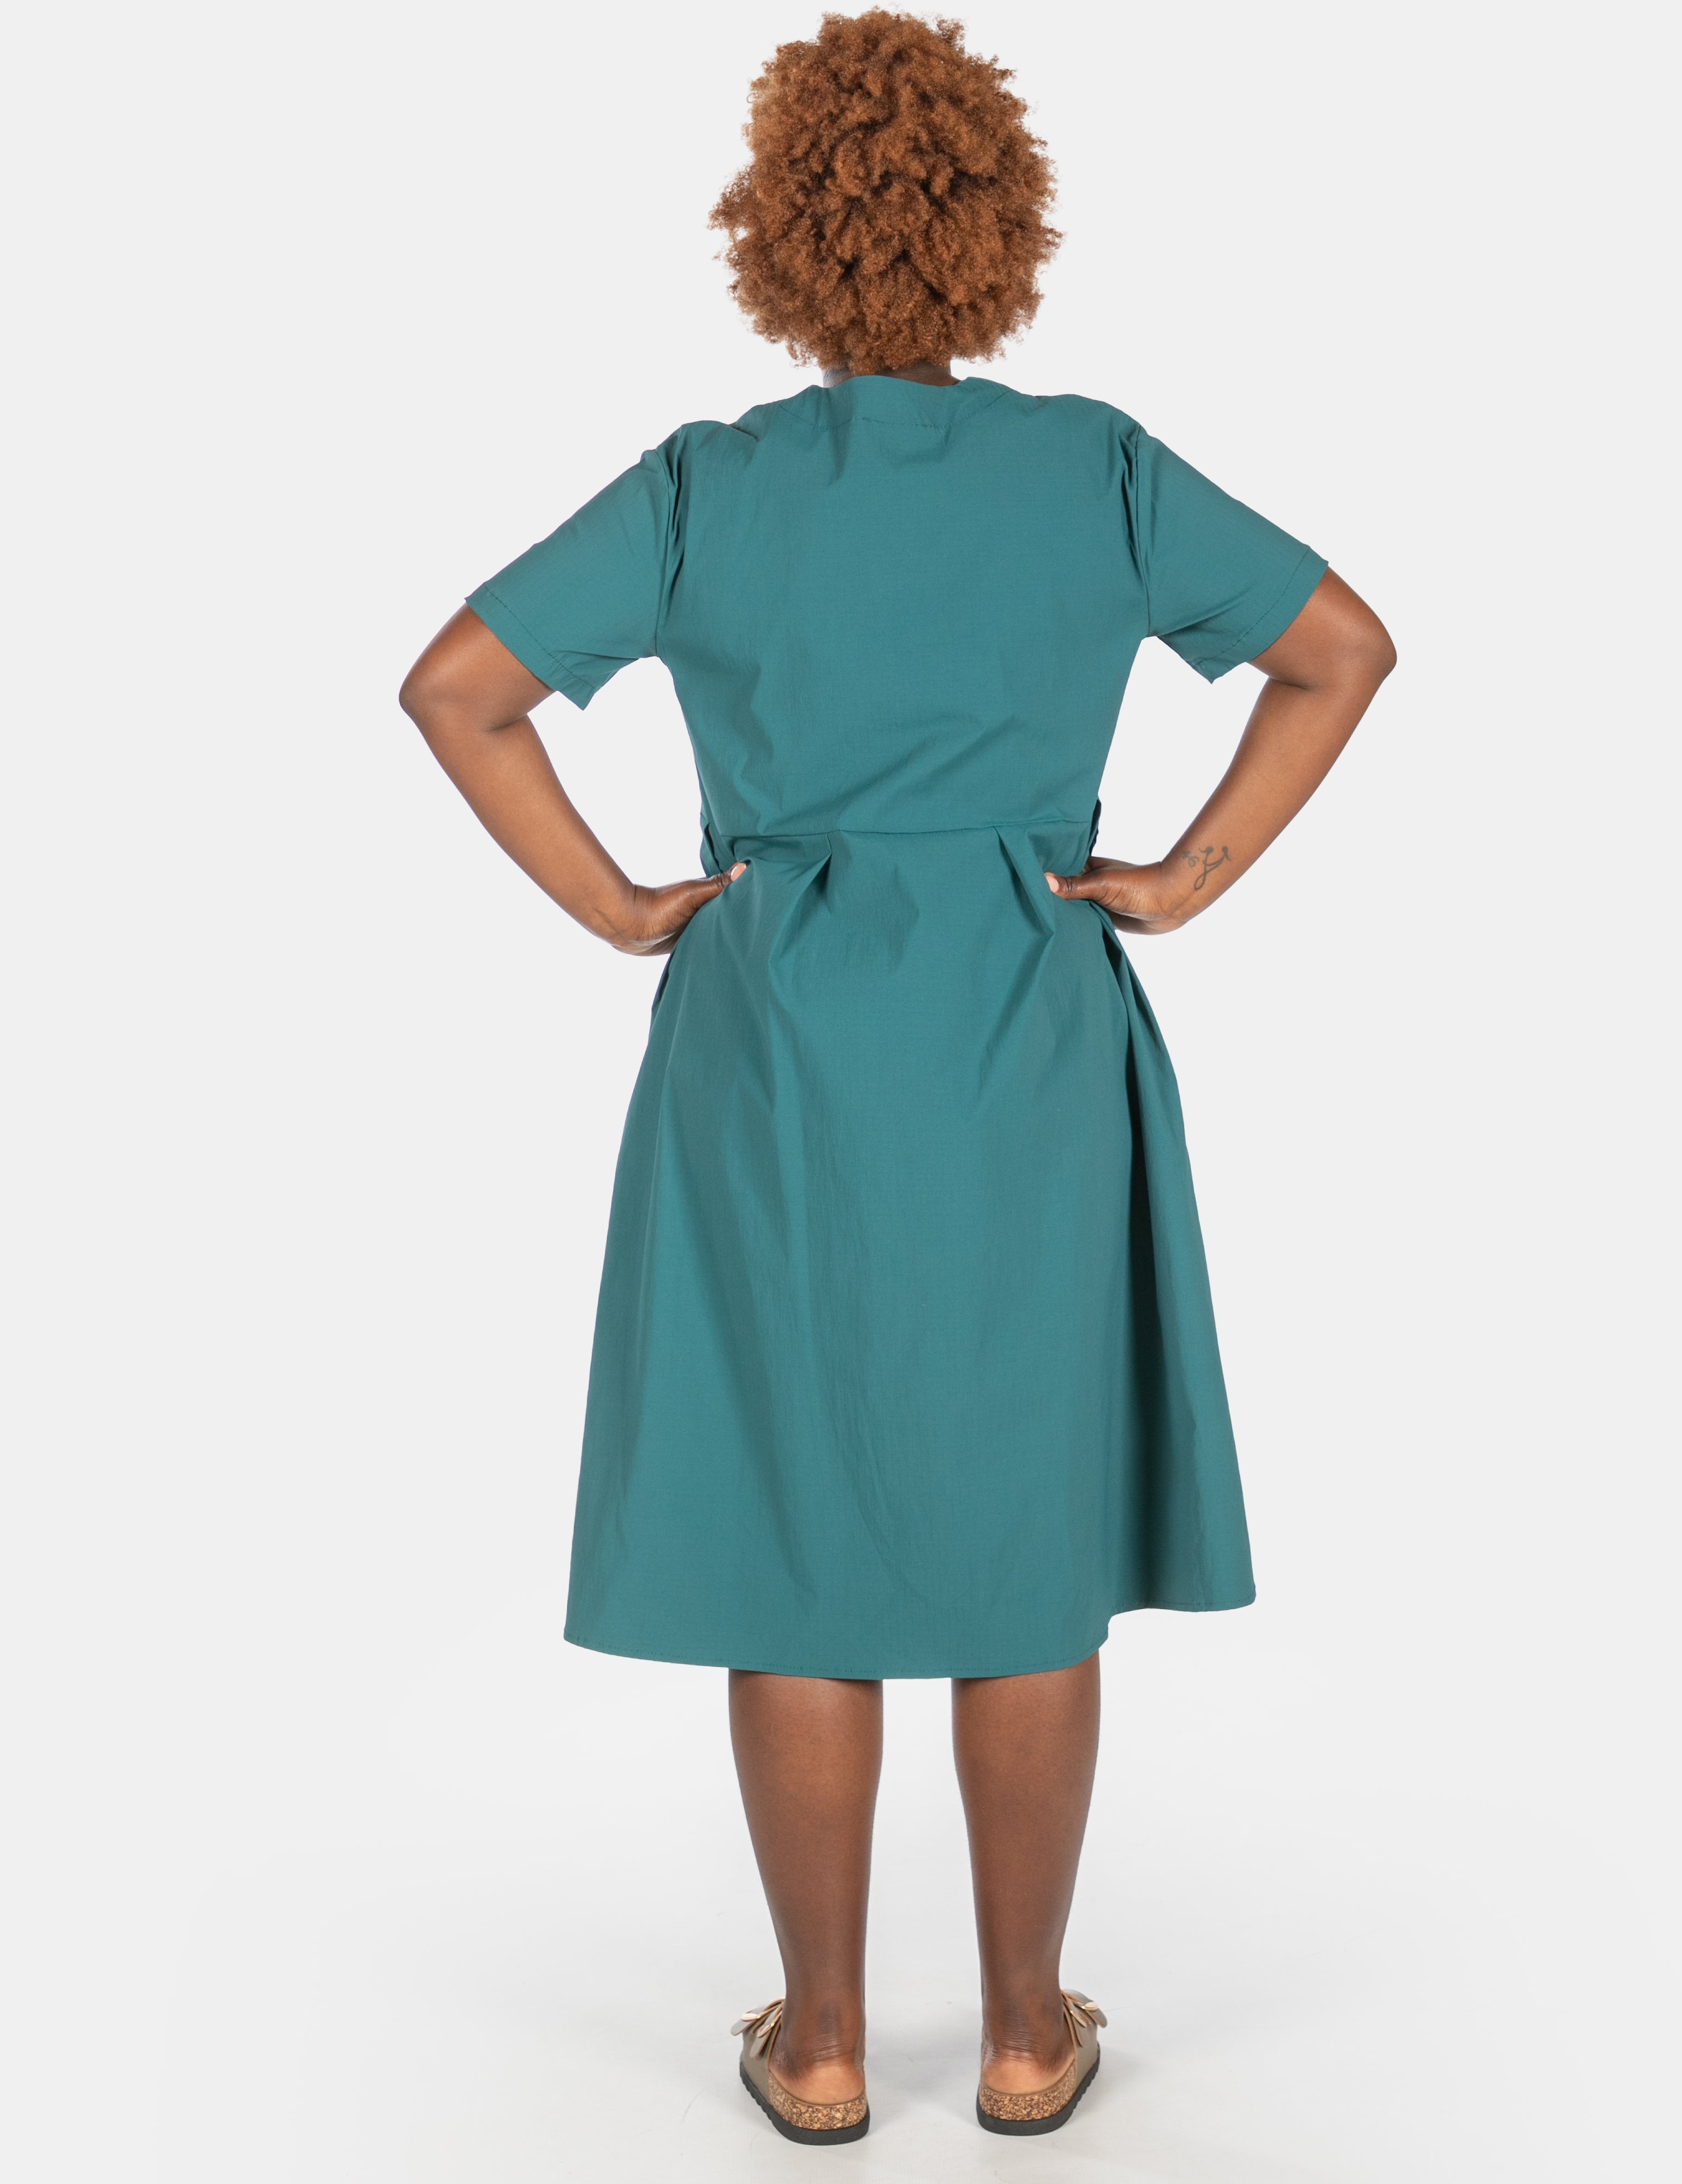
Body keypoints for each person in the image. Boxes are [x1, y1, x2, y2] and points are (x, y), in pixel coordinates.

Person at [398, 8, 1393, 2145]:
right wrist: (1183, 878)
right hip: (1031, 1015)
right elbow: (1342, 649)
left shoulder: (709, 486)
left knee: (795, 1519)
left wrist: (620, 906)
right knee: (1025, 1520)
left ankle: (827, 2040)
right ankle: (1028, 2036)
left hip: (774, 1027)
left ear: (776, 230)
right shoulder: (1096, 468)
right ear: (998, 228)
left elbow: (460, 686)